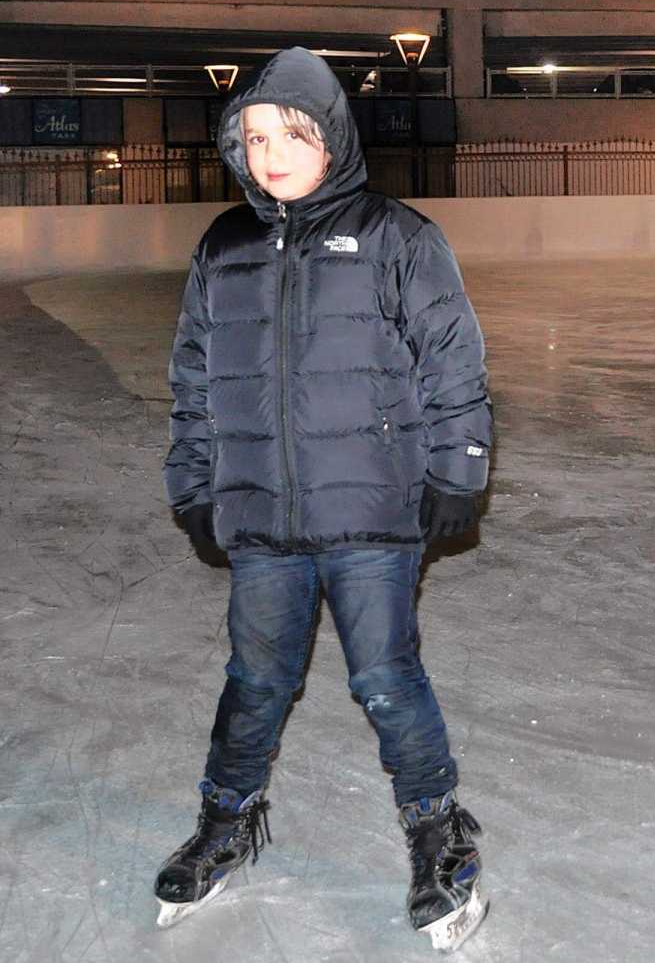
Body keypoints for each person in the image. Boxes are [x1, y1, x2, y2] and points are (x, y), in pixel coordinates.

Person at [155, 47, 491, 951]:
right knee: (255, 680)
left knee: (386, 678)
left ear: (331, 137)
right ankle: (223, 821)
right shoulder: (224, 247)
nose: (271, 154)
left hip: (374, 514)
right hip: (263, 516)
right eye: (254, 137)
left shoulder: (397, 237)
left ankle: (435, 828)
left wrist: (458, 467)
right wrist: (193, 483)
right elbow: (193, 378)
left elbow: (452, 360)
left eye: (290, 134)